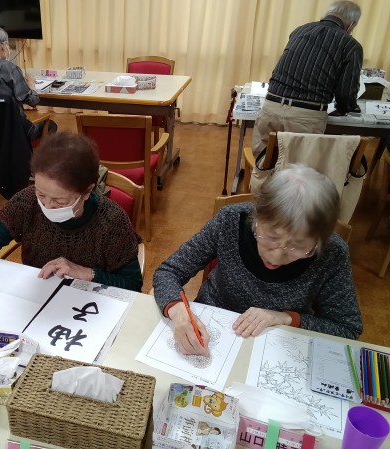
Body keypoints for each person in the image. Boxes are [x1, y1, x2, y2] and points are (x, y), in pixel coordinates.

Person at [153, 164, 362, 356]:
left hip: (277, 344)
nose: (276, 256)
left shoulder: (333, 253)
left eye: (298, 246)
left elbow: (347, 328)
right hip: (213, 325)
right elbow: (169, 271)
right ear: (256, 218)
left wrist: (285, 318)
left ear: (319, 241)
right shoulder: (231, 220)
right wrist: (179, 312)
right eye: (270, 237)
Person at [0, 132, 143, 292]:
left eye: (59, 201)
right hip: (36, 298)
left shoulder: (111, 221)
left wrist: (87, 273)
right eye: (41, 194)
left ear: (87, 192)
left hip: (88, 308)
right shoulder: (27, 202)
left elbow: (132, 285)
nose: (47, 206)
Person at [251, 1, 363, 158]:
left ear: (326, 14)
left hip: (270, 108)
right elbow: (346, 93)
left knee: (263, 162)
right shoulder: (350, 45)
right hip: (305, 117)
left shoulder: (300, 30)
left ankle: (260, 175)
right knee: (298, 168)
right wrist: (346, 108)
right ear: (351, 25)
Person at [0, 26, 57, 140]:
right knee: (52, 125)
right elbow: (33, 101)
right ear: (4, 45)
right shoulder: (9, 68)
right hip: (14, 129)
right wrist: (31, 84)